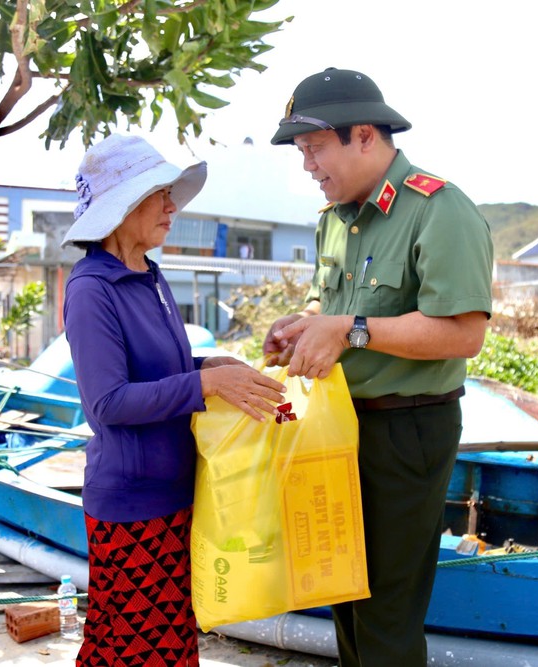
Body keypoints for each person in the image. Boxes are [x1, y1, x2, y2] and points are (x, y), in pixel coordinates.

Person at [263, 67, 494, 666]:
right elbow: (329, 303)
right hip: (336, 424)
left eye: (314, 148)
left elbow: (464, 333)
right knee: (342, 593)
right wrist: (303, 324)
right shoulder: (333, 222)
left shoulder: (437, 210)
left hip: (405, 430)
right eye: (302, 153)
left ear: (364, 135)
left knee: (387, 610)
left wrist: (349, 330)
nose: (308, 166)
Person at [60, 134, 286, 667]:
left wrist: (209, 367)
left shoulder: (150, 275)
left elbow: (161, 373)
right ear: (119, 207)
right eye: (157, 194)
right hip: (133, 505)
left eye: (170, 193)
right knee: (141, 651)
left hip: (177, 495)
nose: (172, 206)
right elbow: (108, 404)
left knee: (151, 646)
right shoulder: (92, 288)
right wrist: (202, 385)